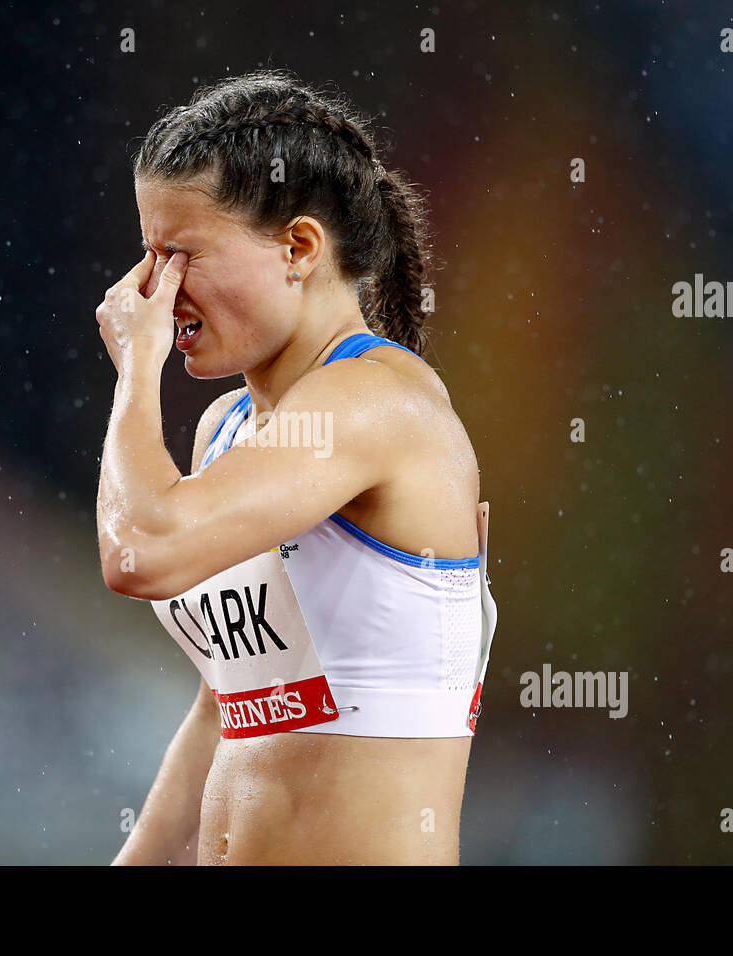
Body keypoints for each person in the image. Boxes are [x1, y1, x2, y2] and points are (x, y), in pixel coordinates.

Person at [95, 70, 496, 865]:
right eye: (148, 253)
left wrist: (135, 372)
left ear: (299, 249)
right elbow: (227, 705)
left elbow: (141, 549)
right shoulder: (227, 429)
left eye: (180, 255)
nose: (151, 290)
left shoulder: (378, 406)